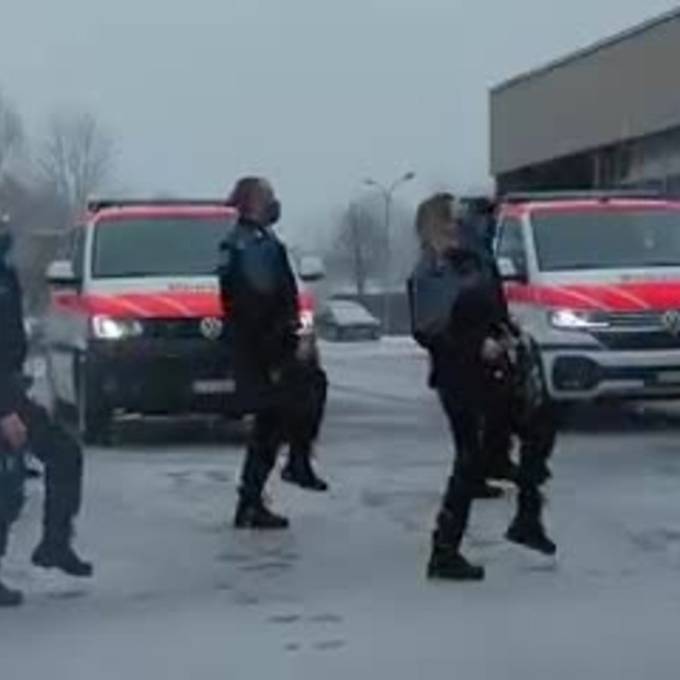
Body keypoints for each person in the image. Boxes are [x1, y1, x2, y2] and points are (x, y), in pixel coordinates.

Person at [218, 177, 327, 530]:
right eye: (269, 198)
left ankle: (254, 497)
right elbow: (262, 297)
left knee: (277, 419)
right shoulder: (252, 245)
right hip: (266, 348)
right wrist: (284, 342)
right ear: (253, 203)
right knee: (283, 413)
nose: (275, 204)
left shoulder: (248, 241)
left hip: (263, 345)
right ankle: (288, 470)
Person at [0, 216, 92, 607]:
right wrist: (5, 411)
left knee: (64, 452)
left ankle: (55, 542)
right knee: (7, 487)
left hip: (10, 390)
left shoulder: (6, 273)